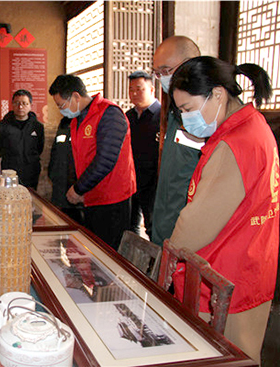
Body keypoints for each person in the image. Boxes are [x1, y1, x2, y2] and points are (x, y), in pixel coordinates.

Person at [168, 56, 278, 363]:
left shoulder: (234, 143)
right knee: (242, 353)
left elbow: (195, 227)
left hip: (223, 274)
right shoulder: (254, 127)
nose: (186, 118)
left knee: (222, 355)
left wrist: (169, 252)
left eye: (188, 109)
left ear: (217, 94)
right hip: (252, 263)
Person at [49, 75, 136, 250]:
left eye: (61, 105)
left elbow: (106, 160)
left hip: (112, 200)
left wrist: (79, 188)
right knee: (94, 251)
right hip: (91, 197)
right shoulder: (77, 120)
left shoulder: (109, 114)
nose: (61, 110)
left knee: (109, 254)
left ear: (75, 96)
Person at [151, 35, 202, 247]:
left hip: (189, 233)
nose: (161, 78)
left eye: (166, 71)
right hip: (165, 226)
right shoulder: (175, 112)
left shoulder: (204, 117)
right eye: (157, 73)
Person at [126, 71, 160, 238]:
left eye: (139, 89)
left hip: (153, 183)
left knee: (153, 227)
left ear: (151, 89)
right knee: (130, 226)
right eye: (131, 90)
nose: (134, 94)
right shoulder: (128, 117)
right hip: (131, 181)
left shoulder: (162, 116)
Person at [0, 89, 44, 189]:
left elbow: (40, 148)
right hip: (8, 174)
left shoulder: (38, 127)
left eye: (24, 103)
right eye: (17, 103)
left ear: (30, 105)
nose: (20, 107)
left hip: (31, 174)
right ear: (12, 104)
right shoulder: (1, 126)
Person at [48, 115, 84, 224]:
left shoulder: (85, 132)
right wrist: (53, 174)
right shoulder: (63, 125)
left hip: (77, 192)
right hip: (59, 189)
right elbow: (54, 155)